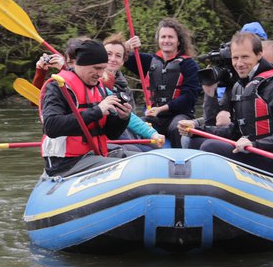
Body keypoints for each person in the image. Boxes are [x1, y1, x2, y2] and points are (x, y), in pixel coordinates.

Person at [178, 31, 273, 177]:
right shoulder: (240, 86)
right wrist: (198, 128)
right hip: (250, 151)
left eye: (245, 57)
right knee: (194, 140)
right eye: (235, 58)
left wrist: (255, 145)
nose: (239, 63)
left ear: (259, 55)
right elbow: (236, 132)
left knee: (209, 146)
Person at [39, 39, 132, 177]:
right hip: (66, 163)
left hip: (94, 153)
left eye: (103, 68)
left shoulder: (98, 87)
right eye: (97, 68)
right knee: (127, 169)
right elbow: (51, 127)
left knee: (143, 158)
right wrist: (98, 111)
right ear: (81, 65)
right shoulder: (58, 87)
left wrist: (122, 118)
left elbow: (111, 134)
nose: (101, 74)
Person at [125, 18, 201, 148]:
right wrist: (127, 46)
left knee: (177, 128)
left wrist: (161, 109)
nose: (166, 40)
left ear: (178, 41)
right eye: (163, 37)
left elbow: (189, 97)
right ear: (158, 40)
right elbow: (120, 57)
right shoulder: (148, 61)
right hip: (153, 117)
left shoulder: (189, 65)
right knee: (136, 127)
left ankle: (181, 161)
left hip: (179, 115)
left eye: (170, 37)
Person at [101, 34, 165, 150]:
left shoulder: (124, 87)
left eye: (118, 56)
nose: (113, 59)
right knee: (141, 150)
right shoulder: (95, 83)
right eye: (108, 54)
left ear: (122, 61)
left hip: (126, 132)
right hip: (108, 136)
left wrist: (149, 131)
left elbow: (130, 117)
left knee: (155, 145)